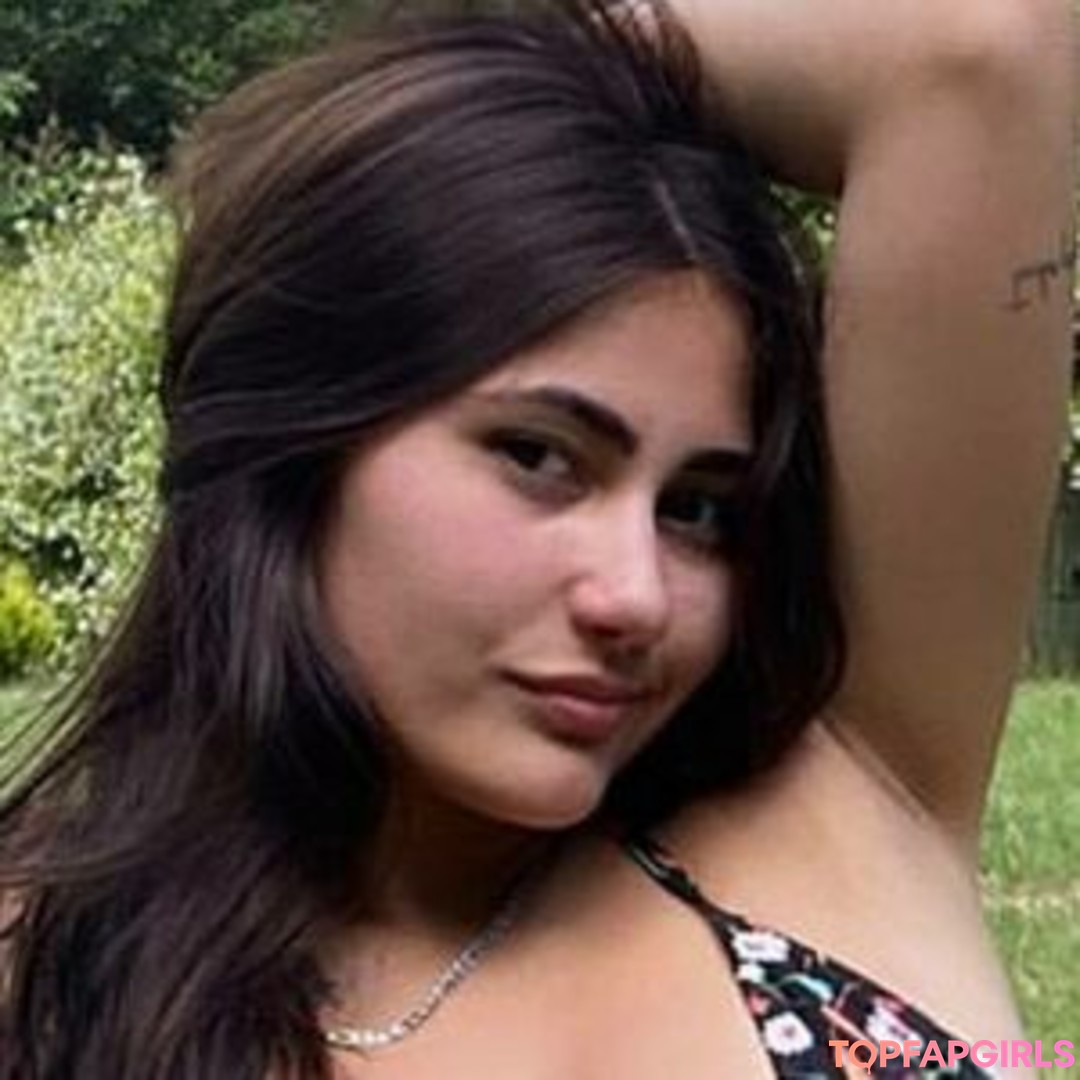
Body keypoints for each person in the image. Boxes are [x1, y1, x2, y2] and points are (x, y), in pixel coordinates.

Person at [0, 0, 1073, 1076]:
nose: (636, 597)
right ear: (298, 437)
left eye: (696, 508)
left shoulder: (849, 784)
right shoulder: (55, 969)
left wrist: (531, 48)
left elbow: (981, 45)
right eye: (539, 457)